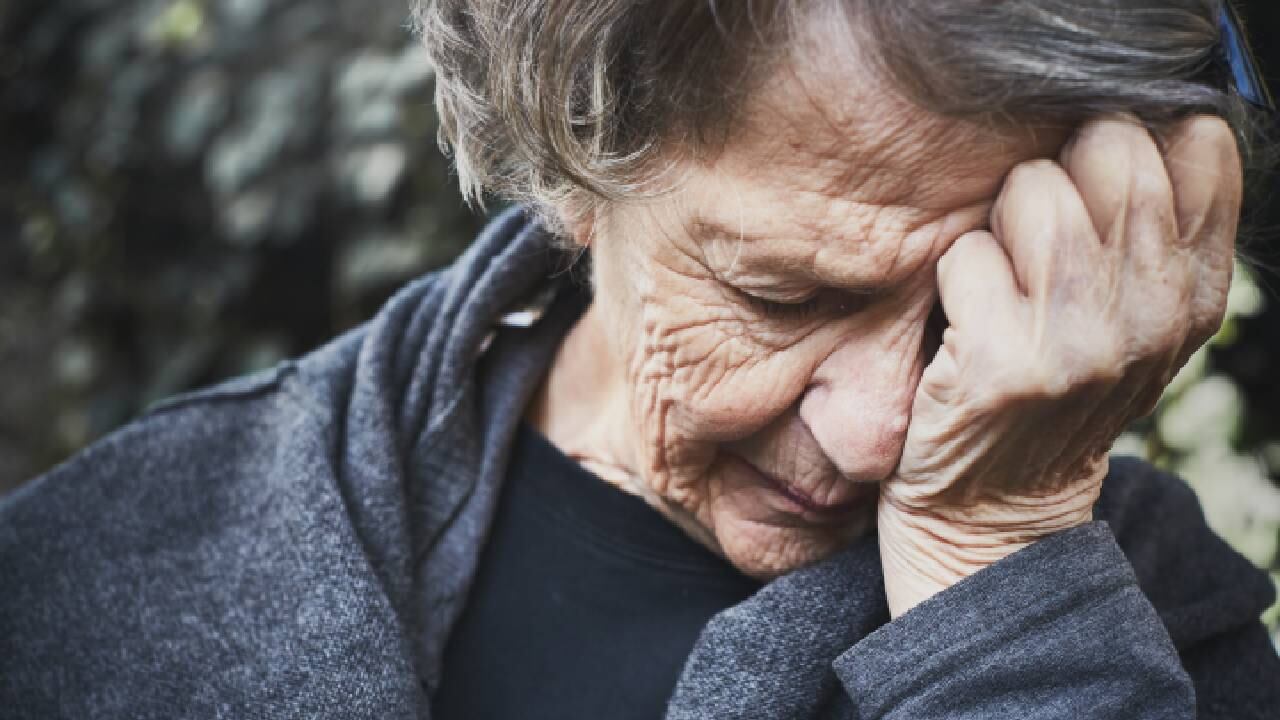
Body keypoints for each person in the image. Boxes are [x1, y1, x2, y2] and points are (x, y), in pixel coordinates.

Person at [3, 0, 1279, 717]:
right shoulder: (93, 574)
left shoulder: (1155, 633)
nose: (880, 430)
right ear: (567, 165)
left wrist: (1000, 584)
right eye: (785, 294)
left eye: (974, 309)